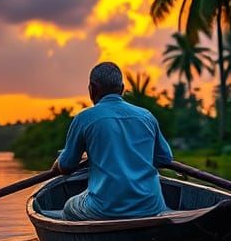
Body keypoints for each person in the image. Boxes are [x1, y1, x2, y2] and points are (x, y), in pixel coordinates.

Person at [52, 61, 173, 220]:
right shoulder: (147, 116)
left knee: (69, 207)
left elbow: (67, 166)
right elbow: (164, 158)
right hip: (151, 206)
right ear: (122, 89)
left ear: (93, 89)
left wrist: (57, 164)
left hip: (104, 210)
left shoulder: (84, 118)